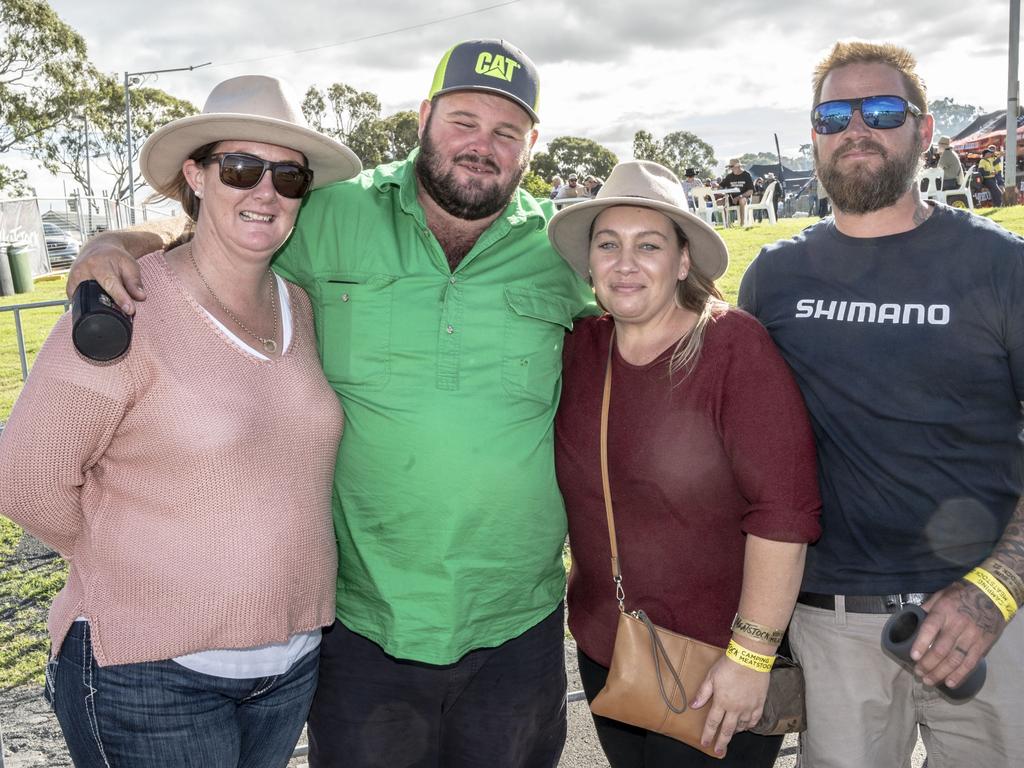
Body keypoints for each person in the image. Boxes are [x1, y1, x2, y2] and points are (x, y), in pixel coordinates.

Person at [65, 39, 594, 768]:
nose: (482, 146)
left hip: (517, 620)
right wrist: (119, 239)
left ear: (530, 145)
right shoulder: (333, 213)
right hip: (361, 618)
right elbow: (226, 220)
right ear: (423, 118)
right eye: (463, 121)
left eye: (506, 132)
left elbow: (659, 296)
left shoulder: (565, 252)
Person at [0, 74, 361, 767]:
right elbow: (25, 478)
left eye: (287, 177)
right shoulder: (126, 305)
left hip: (286, 670)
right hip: (150, 675)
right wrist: (147, 566)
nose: (265, 192)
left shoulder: (303, 307)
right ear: (196, 176)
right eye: (241, 169)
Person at [739, 41, 1024, 768]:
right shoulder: (773, 278)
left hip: (989, 614)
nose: (856, 128)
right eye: (834, 114)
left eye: (883, 110)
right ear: (814, 135)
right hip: (834, 630)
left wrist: (995, 589)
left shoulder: (1001, 265)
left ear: (925, 132)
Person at [549, 160, 822, 766]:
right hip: (609, 650)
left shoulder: (732, 348)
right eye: (608, 244)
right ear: (588, 261)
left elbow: (784, 511)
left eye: (649, 245)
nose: (625, 263)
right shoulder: (578, 348)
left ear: (681, 262)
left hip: (715, 669)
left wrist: (750, 657)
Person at [721, 158, 754, 226]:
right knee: (720, 202)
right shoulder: (729, 176)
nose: (731, 169)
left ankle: (742, 223)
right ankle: (727, 223)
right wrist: (716, 186)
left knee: (742, 200)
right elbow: (721, 186)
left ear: (738, 166)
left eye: (732, 166)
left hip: (744, 198)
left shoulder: (746, 175)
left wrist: (739, 197)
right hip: (732, 198)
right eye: (730, 167)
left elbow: (750, 191)